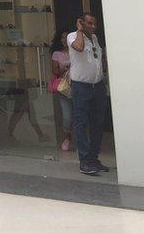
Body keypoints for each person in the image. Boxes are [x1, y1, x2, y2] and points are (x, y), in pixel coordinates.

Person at [68, 13, 109, 176]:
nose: (93, 26)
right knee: (81, 123)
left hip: (97, 86)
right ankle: (84, 160)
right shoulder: (73, 36)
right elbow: (78, 48)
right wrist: (79, 31)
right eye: (89, 23)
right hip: (81, 87)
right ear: (81, 23)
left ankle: (93, 159)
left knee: (97, 123)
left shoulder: (95, 38)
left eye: (94, 23)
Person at [49, 31, 73, 152]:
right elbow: (55, 71)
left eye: (67, 37)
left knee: (80, 114)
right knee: (67, 116)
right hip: (64, 88)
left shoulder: (76, 51)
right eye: (62, 37)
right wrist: (65, 69)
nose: (64, 40)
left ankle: (80, 139)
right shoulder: (56, 54)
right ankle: (67, 138)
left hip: (78, 86)